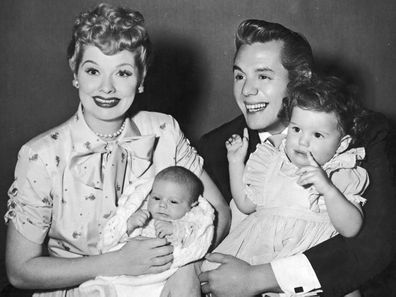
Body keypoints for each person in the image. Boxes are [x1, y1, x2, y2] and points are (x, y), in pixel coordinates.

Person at [4, 3, 230, 297]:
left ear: (141, 78)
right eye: (93, 71)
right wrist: (117, 263)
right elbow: (20, 270)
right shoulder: (40, 155)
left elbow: (219, 213)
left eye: (122, 73)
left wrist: (189, 267)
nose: (107, 88)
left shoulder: (164, 130)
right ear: (75, 72)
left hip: (165, 284)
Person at [198, 19, 396, 297]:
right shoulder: (218, 147)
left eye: (263, 76)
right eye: (240, 76)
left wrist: (257, 278)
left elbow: (376, 243)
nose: (246, 91)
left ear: (301, 78)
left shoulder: (365, 134)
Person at [202, 76, 369, 297]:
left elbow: (351, 227)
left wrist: (328, 189)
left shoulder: (338, 173)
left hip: (305, 266)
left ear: (343, 144)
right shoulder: (272, 162)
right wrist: (235, 163)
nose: (302, 141)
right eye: (297, 129)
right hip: (259, 255)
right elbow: (245, 203)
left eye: (317, 135)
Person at [79, 166, 215, 297]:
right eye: (156, 198)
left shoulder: (189, 222)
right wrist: (129, 225)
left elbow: (197, 243)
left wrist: (175, 229)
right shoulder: (143, 217)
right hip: (127, 274)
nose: (162, 204)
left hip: (159, 279)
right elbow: (109, 241)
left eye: (173, 202)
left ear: (191, 206)